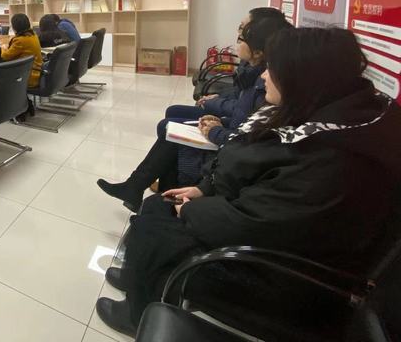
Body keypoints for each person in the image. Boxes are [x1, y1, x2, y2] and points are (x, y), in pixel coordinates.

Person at [96, 27, 401, 336]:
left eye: (273, 70)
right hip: (258, 232)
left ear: (302, 79)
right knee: (158, 206)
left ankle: (136, 312)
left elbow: (251, 222)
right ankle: (139, 275)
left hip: (275, 277)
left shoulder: (335, 161)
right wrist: (204, 188)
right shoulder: (319, 119)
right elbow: (250, 164)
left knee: (155, 219)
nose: (264, 76)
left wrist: (190, 209)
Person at [97, 11, 293, 211]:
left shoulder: (264, 87)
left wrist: (215, 126)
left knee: (169, 130)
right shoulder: (253, 72)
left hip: (225, 145)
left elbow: (242, 134)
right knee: (171, 126)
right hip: (227, 131)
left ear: (258, 50)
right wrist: (217, 107)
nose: (237, 36)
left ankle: (145, 190)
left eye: (242, 35)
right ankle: (145, 188)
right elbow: (240, 108)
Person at [0, 13, 42, 88]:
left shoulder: (20, 40)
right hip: (36, 72)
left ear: (15, 26)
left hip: (27, 76)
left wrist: (2, 48)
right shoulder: (33, 35)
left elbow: (4, 56)